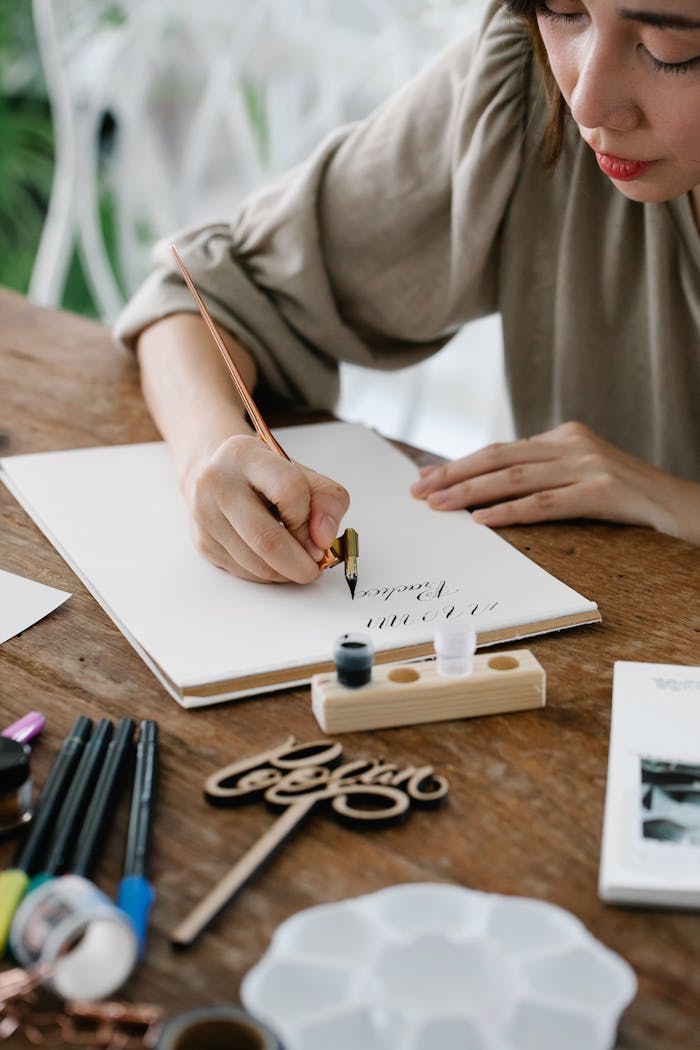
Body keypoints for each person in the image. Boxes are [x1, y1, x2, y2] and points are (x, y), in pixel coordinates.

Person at [115, 0, 700, 585]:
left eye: (670, 48)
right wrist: (210, 455)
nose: (587, 103)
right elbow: (208, 293)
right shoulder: (528, 83)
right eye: (564, 11)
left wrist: (677, 502)